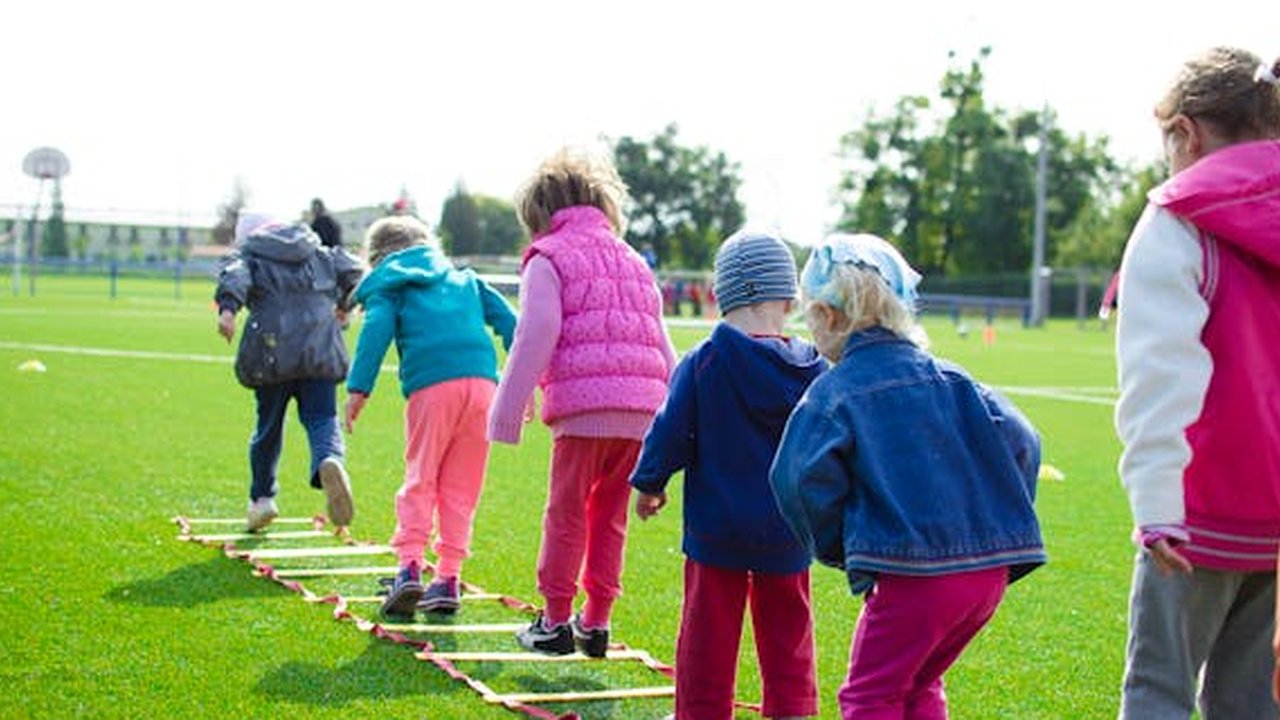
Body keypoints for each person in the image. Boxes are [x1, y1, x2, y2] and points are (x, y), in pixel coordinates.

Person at [769, 233, 1046, 720]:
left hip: (915, 576)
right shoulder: (956, 378)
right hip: (987, 578)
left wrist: (838, 545)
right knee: (921, 681)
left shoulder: (834, 393)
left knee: (870, 695)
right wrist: (999, 519)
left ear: (828, 318)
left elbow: (795, 479)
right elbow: (1025, 440)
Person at [1113, 47, 1280, 719]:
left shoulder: (1178, 219)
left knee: (1159, 690)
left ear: (1187, 132)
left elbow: (1161, 375)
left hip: (1196, 511)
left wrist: (1156, 505)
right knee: (1250, 701)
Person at [488, 146, 677, 657]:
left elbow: (538, 331)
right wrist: (677, 421)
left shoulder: (547, 258)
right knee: (609, 516)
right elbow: (662, 343)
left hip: (583, 410)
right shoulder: (635, 260)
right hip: (642, 412)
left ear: (540, 216)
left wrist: (508, 406)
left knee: (566, 513)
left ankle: (553, 622)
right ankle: (595, 622)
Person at [630, 230, 825, 720]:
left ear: (719, 295)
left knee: (707, 634)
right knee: (789, 631)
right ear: (788, 297)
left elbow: (669, 429)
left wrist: (651, 482)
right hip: (789, 529)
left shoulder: (704, 362)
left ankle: (700, 711)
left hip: (716, 528)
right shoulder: (816, 371)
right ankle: (792, 710)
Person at [343, 216, 516, 617]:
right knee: (462, 486)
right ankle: (448, 579)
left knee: (421, 476)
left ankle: (409, 569)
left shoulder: (391, 283)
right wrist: (525, 380)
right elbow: (512, 324)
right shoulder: (466, 279)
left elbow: (377, 328)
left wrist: (358, 388)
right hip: (483, 388)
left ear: (377, 257)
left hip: (432, 387)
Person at [214, 212, 364, 532]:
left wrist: (228, 310)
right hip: (321, 348)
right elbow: (355, 272)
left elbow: (235, 276)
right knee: (323, 418)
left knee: (268, 427)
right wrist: (345, 305)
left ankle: (262, 499)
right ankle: (329, 459)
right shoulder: (317, 250)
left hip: (271, 353)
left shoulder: (251, 255)